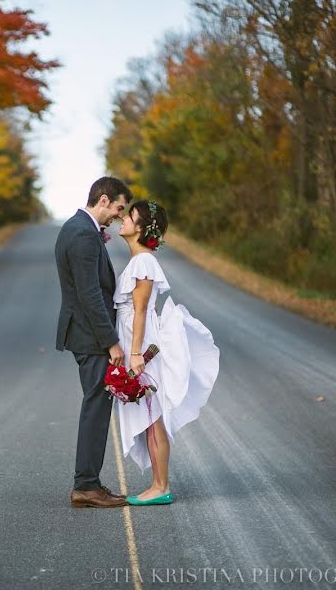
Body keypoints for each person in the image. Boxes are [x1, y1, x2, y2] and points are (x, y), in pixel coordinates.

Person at [112, 200, 220, 506]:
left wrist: (135, 355)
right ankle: (157, 484)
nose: (123, 220)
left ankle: (161, 486)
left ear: (142, 228)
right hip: (136, 339)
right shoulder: (138, 261)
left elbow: (142, 309)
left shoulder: (143, 262)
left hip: (142, 345)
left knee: (153, 416)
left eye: (129, 217)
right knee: (150, 417)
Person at [54, 176, 132, 508]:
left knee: (96, 406)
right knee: (96, 407)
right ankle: (86, 485)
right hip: (89, 336)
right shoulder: (83, 235)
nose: (118, 215)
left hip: (84, 333)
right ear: (102, 200)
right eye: (117, 207)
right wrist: (111, 342)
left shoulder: (77, 228)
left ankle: (88, 482)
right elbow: (90, 296)